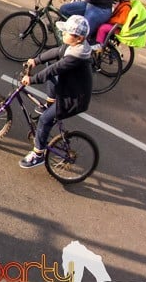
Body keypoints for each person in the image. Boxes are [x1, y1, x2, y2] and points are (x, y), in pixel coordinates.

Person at [18, 15, 93, 169]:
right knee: (50, 70)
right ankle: (49, 104)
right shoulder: (72, 46)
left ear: (78, 38)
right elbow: (56, 52)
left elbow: (55, 69)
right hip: (68, 88)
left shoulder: (76, 56)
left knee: (45, 119)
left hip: (73, 99)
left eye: (67, 32)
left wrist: (32, 80)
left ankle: (38, 155)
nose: (63, 34)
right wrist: (36, 60)